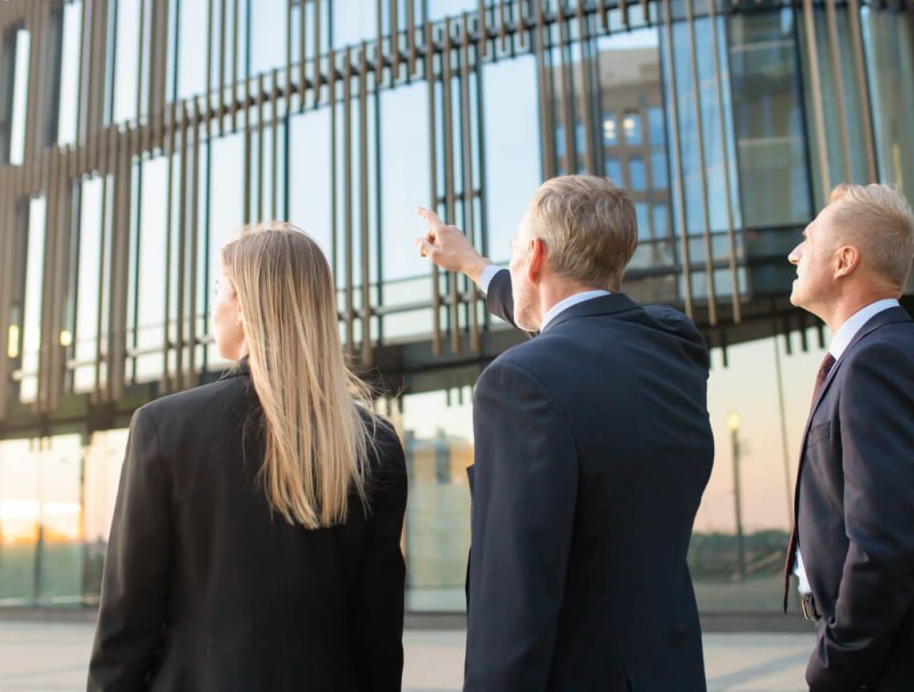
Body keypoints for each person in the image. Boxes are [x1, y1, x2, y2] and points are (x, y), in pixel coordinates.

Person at [417, 175, 714, 692]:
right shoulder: (676, 346)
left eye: (514, 252)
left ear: (534, 256)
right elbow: (571, 324)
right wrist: (473, 265)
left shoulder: (519, 383)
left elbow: (513, 600)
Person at [88, 224, 407, 691]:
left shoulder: (164, 428)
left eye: (219, 289)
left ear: (242, 307)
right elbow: (378, 636)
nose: (212, 306)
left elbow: (126, 623)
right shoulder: (372, 443)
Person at [784, 183, 914, 691]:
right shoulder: (882, 351)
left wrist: (835, 664)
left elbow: (885, 541)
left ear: (844, 261)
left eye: (808, 240)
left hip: (880, 665)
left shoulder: (874, 362)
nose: (795, 253)